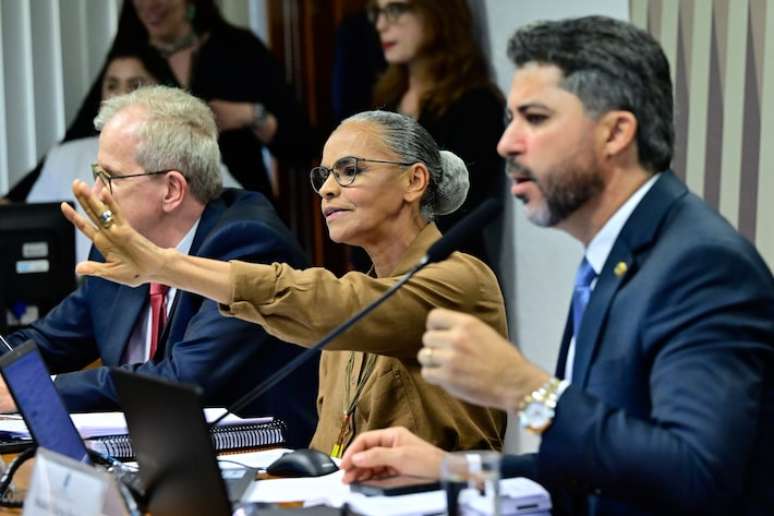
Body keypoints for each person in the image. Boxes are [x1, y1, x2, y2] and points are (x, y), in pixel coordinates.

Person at [339, 16, 774, 515]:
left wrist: (527, 390)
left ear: (616, 133)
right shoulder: (613, 257)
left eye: (536, 118)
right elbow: (598, 466)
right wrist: (454, 469)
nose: (506, 143)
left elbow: (697, 474)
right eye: (511, 119)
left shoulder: (701, 266)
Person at [61, 110, 508, 457]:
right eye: (324, 176)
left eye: (349, 171)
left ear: (414, 180)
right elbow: (329, 448)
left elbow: (331, 302)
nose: (327, 189)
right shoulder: (353, 301)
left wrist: (165, 266)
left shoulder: (459, 280)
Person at [0, 85, 319, 448]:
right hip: (147, 455)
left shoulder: (248, 244)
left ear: (171, 190)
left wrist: (35, 391)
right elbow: (48, 342)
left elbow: (180, 381)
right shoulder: (122, 243)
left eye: (110, 177)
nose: (97, 192)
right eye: (96, 173)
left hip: (259, 465)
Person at [105, 0, 314, 198]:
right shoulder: (127, 59)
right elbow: (95, 129)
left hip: (241, 202)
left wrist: (250, 115)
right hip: (159, 206)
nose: (149, 4)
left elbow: (303, 146)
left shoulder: (239, 47)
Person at [369, 0, 505, 270]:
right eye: (377, 13)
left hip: (449, 270)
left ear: (437, 12)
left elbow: (459, 202)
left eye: (396, 10)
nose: (381, 25)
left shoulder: (476, 104)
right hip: (385, 270)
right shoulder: (386, 98)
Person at [25, 47, 161, 264]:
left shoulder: (178, 156)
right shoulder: (63, 157)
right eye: (112, 85)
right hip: (79, 279)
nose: (120, 95)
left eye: (135, 85)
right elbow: (30, 229)